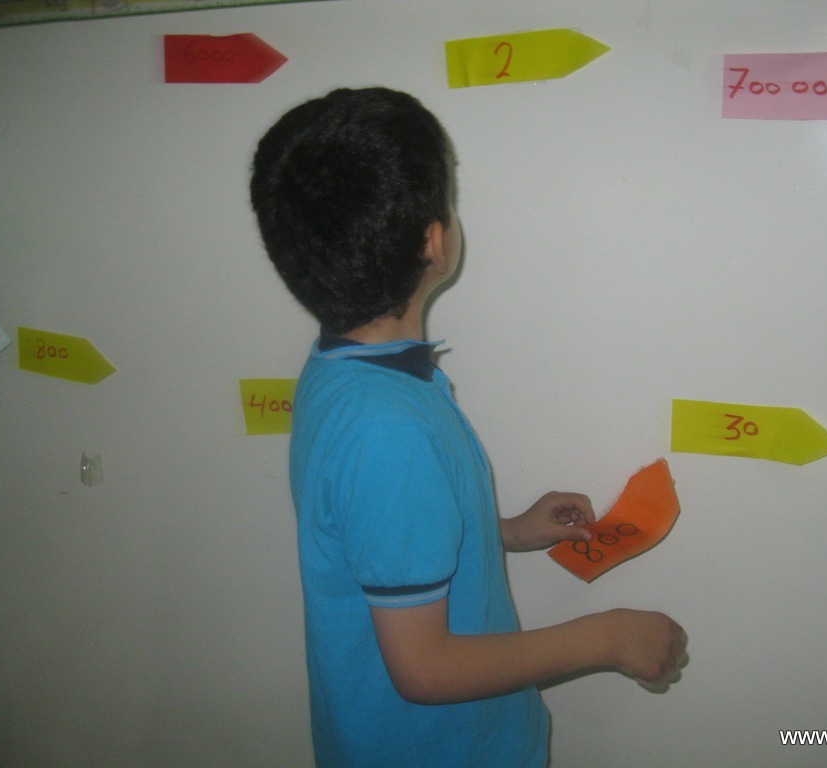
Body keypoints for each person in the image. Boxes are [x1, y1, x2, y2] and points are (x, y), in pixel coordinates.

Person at [250, 87, 686, 768]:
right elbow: (424, 669)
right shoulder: (386, 428)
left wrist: (503, 530)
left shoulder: (350, 372)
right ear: (434, 240)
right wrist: (607, 637)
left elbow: (381, 537)